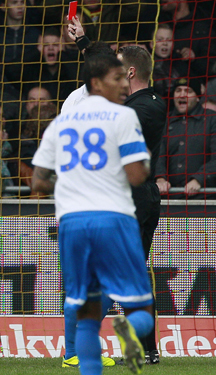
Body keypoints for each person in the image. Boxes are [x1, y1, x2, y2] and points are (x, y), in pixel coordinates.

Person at [32, 54, 154, 375]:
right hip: (114, 218)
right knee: (141, 308)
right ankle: (126, 330)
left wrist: (72, 179)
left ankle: (79, 359)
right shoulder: (122, 117)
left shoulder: (62, 120)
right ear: (98, 82)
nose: (125, 84)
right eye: (117, 78)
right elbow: (137, 175)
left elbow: (38, 182)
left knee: (86, 310)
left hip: (73, 222)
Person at [116, 45, 167, 364]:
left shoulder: (144, 107)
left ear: (130, 72)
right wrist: (83, 43)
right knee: (130, 274)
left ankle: (143, 348)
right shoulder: (146, 103)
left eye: (117, 69)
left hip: (137, 197)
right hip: (136, 196)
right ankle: (147, 349)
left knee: (129, 275)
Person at [156, 78, 216, 196]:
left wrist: (199, 179)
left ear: (197, 97)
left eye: (188, 91)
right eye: (178, 90)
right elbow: (158, 154)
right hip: (170, 197)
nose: (182, 95)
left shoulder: (212, 119)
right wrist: (160, 178)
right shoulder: (165, 121)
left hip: (203, 198)